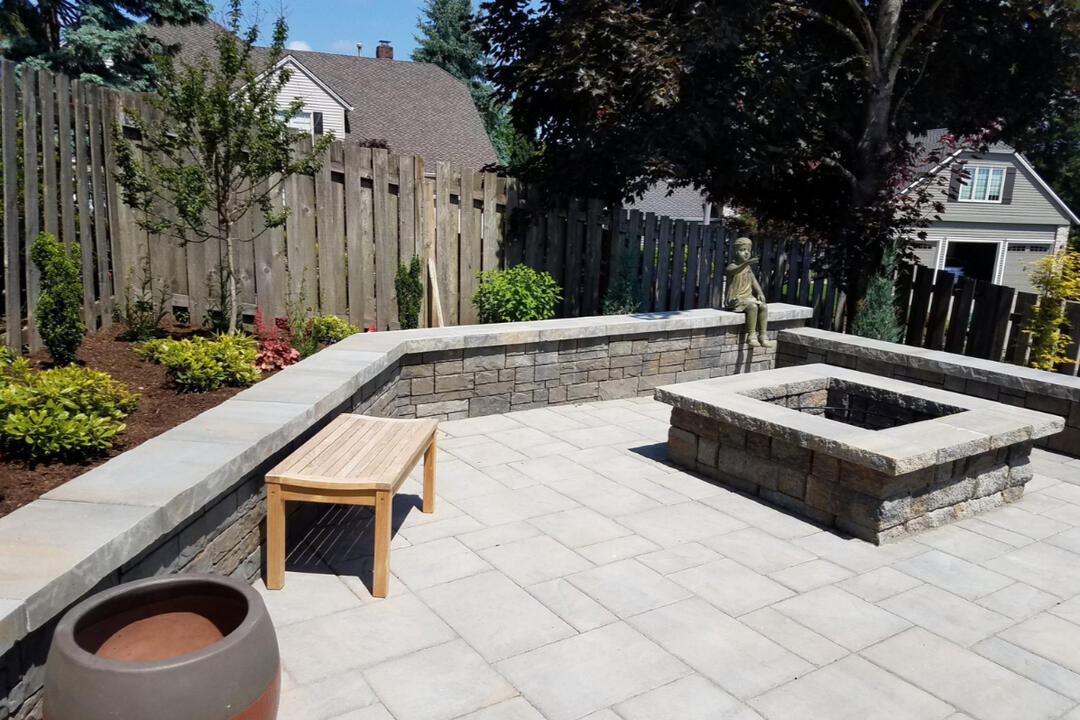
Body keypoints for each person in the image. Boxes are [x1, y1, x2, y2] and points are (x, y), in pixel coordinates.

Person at [725, 237, 771, 348]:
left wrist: (760, 292)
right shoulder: (732, 266)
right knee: (753, 307)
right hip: (735, 299)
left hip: (748, 297)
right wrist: (746, 264)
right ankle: (751, 335)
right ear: (736, 252)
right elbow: (734, 271)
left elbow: (754, 281)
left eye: (748, 250)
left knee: (763, 306)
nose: (746, 253)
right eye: (743, 250)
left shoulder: (748, 268)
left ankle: (763, 335)